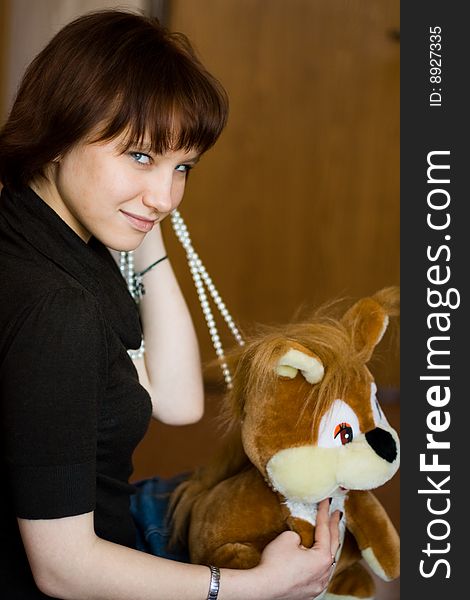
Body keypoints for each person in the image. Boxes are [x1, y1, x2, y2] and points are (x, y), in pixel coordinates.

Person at [0, 9, 340, 600]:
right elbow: (62, 569)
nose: (166, 195)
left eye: (182, 167)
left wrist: (141, 220)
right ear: (58, 132)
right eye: (139, 156)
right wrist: (246, 588)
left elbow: (177, 402)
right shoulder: (55, 306)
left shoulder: (47, 237)